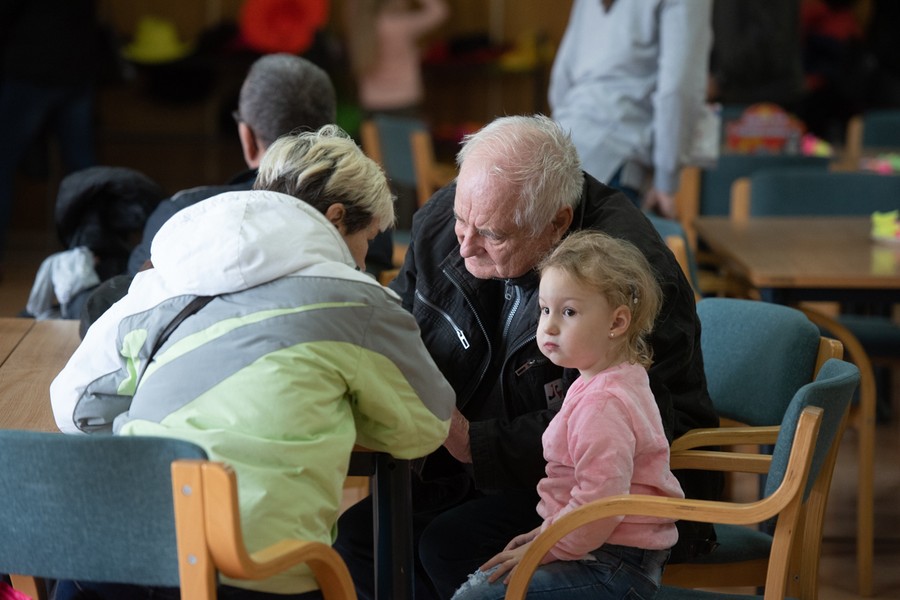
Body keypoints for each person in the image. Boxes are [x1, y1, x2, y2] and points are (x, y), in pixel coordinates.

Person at [49, 125, 456, 599]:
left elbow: (76, 406)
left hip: (115, 553)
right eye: (366, 239)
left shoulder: (171, 274)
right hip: (252, 574)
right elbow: (426, 426)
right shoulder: (361, 300)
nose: (364, 261)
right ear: (337, 218)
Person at [334, 114, 721, 600]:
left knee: (447, 545)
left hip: (607, 493)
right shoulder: (444, 223)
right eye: (461, 218)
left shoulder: (621, 272)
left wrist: (473, 442)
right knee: (360, 539)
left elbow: (626, 420)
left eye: (492, 234)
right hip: (477, 470)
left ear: (556, 221)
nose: (465, 242)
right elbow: (402, 330)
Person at [80, 52, 394, 332]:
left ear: (246, 136)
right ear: (330, 130)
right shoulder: (364, 213)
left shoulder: (184, 215)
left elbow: (123, 314)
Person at [451, 230, 683, 599]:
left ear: (617, 323)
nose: (549, 326)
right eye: (544, 309)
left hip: (614, 566)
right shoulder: (604, 380)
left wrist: (546, 547)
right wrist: (546, 533)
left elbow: (600, 506)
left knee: (479, 595)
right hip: (599, 550)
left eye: (568, 312)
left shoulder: (603, 405)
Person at [548, 0, 712, 218]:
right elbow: (678, 88)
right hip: (617, 162)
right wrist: (667, 181)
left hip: (561, 147)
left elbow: (561, 78)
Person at [0, 0, 101, 269]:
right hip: (76, 68)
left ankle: (90, 256)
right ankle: (92, 259)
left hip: (30, 69)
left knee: (2, 166)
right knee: (83, 171)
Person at [343, 0, 448, 118]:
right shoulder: (401, 24)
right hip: (404, 99)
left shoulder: (360, 26)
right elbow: (439, 12)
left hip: (371, 102)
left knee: (374, 137)